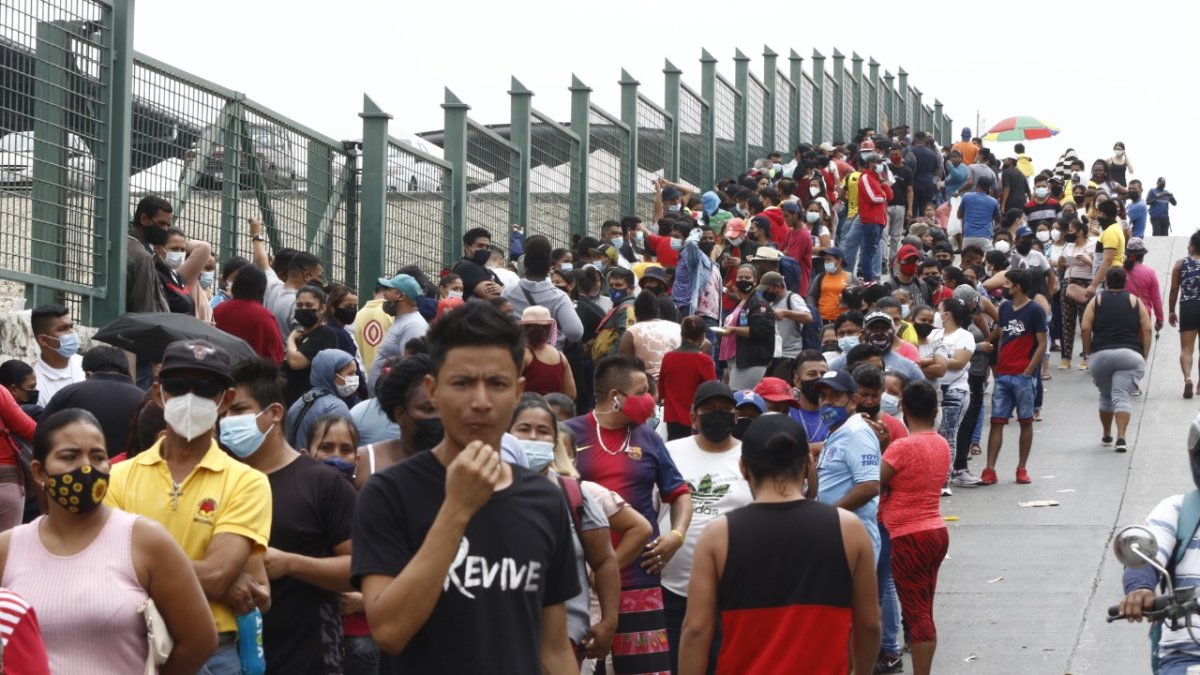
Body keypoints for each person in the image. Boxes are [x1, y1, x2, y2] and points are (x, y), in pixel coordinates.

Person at [350, 301, 579, 674]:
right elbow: (389, 631)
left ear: (518, 392)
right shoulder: (388, 493)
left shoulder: (544, 500)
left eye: (497, 384)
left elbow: (553, 649)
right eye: (462, 383)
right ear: (433, 390)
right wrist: (456, 508)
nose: (481, 402)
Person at [0, 408, 216, 673]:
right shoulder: (8, 548)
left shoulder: (145, 540)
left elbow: (199, 640)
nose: (86, 467)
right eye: (69, 457)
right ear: (39, 472)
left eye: (97, 457)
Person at [105, 339, 272, 674]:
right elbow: (104, 571)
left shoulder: (247, 482)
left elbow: (218, 575)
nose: (190, 397)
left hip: (214, 654)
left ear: (225, 400)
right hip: (131, 646)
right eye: (178, 386)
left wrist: (138, 570)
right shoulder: (117, 477)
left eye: (206, 388)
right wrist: (206, 578)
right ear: (158, 394)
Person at [678, 414, 880, 674]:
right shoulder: (848, 529)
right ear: (808, 465)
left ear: (743, 468)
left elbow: (696, 630)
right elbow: (869, 624)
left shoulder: (717, 536)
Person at [223, 358, 357, 673]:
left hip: (308, 661)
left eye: (238, 410)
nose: (227, 422)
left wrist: (290, 563)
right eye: (223, 413)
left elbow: (361, 567)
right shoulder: (221, 482)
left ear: (274, 413)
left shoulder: (323, 484)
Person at [566, 355, 693, 675]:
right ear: (615, 397)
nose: (650, 399)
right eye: (641, 392)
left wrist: (676, 536)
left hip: (639, 579)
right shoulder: (569, 434)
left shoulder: (649, 438)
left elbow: (680, 494)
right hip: (582, 584)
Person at [509, 394, 620, 667]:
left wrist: (609, 621)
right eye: (524, 429)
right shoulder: (484, 490)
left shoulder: (573, 495)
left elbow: (604, 560)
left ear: (554, 441)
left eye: (543, 431)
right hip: (504, 637)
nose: (533, 438)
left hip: (566, 639)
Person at [659, 381, 751, 674]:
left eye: (725, 409)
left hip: (733, 593)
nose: (718, 414)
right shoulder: (670, 452)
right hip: (673, 591)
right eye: (709, 409)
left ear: (735, 416)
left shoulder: (750, 456)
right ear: (693, 417)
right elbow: (651, 508)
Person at [879, 380, 952, 675]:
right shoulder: (941, 443)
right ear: (935, 410)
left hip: (909, 535)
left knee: (916, 613)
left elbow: (874, 482)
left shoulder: (902, 447)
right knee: (924, 608)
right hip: (936, 531)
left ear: (903, 408)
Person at [981, 269, 1047, 486]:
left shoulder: (1035, 310)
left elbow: (1042, 343)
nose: (1004, 287)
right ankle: (989, 469)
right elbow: (1003, 335)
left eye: (1007, 283)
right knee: (997, 421)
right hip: (1004, 374)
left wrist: (1029, 370)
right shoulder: (1004, 308)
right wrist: (999, 364)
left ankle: (1021, 468)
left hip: (1023, 376)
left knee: (1025, 421)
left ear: (1018, 287)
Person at [811, 369, 884, 558]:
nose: (827, 402)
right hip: (836, 537)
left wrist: (830, 515)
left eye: (835, 396)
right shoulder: (839, 431)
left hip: (852, 540)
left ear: (853, 401)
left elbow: (869, 486)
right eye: (822, 396)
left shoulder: (856, 433)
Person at [1082, 267, 1152, 453]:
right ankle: (1121, 438)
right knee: (1122, 396)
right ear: (1125, 282)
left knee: (1106, 395)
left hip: (1101, 355)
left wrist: (1089, 351)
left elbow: (1085, 328)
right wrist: (1144, 355)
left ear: (1106, 281)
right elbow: (1147, 329)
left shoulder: (1097, 300)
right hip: (1130, 355)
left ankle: (1107, 434)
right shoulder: (1135, 301)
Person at [355, 355, 441, 490]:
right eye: (428, 409)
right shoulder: (365, 463)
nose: (439, 416)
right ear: (400, 414)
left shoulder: (466, 464)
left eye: (444, 408)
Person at [41, 346, 144, 459]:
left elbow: (42, 434)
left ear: (87, 373)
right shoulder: (143, 398)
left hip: (80, 467)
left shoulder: (67, 394)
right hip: (134, 467)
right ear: (125, 370)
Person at [503, 234, 584, 348]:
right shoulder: (559, 297)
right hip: (550, 354)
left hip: (517, 353)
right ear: (550, 264)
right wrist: (557, 336)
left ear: (525, 262)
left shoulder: (508, 293)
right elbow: (575, 333)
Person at [934, 298, 981, 487]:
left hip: (955, 390)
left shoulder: (964, 336)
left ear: (947, 314)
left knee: (949, 434)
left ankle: (944, 479)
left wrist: (934, 360)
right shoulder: (934, 334)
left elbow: (960, 362)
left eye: (939, 309)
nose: (937, 313)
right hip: (933, 389)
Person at [282, 285, 343, 405]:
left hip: (310, 403)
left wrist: (290, 340)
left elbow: (296, 362)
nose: (303, 309)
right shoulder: (302, 336)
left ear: (322, 308)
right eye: (299, 305)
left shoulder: (325, 334)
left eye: (309, 305)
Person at [213, 264, 286, 364]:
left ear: (236, 284)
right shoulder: (265, 317)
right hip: (253, 372)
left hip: (222, 369)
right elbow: (276, 355)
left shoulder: (218, 310)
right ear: (262, 289)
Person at [659, 316, 718, 441]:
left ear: (682, 334)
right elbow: (712, 393)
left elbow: (661, 391)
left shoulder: (668, 358)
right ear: (702, 336)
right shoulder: (705, 361)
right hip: (696, 419)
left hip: (672, 418)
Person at [286, 349, 357, 451]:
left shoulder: (301, 402)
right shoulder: (337, 408)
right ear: (332, 374)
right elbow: (341, 451)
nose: (355, 378)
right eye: (350, 374)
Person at [829, 311, 925, 384]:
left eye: (885, 328)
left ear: (893, 333)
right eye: (874, 328)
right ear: (863, 334)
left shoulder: (909, 367)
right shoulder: (841, 363)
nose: (879, 333)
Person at [368, 273, 429, 387]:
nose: (384, 294)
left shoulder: (413, 326)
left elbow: (411, 368)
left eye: (388, 290)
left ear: (400, 296)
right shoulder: (403, 320)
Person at [719, 265, 775, 389]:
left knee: (737, 396)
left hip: (750, 361)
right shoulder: (740, 303)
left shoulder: (759, 303)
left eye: (747, 277)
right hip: (733, 359)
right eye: (740, 277)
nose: (743, 280)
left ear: (755, 280)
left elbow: (760, 330)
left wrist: (733, 330)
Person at [620, 292, 681, 386]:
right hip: (676, 383)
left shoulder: (631, 333)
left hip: (646, 387)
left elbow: (625, 369)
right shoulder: (678, 328)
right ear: (658, 310)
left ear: (635, 312)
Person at [1058, 217, 1096, 369]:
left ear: (1080, 231)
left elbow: (1098, 267)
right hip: (1067, 283)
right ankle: (1066, 358)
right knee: (1067, 322)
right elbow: (1061, 268)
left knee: (1085, 322)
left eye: (1071, 230)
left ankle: (1087, 357)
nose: (1069, 233)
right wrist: (1061, 262)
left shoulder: (1092, 245)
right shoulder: (1068, 246)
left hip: (1084, 283)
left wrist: (1088, 260)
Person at [29, 304, 84, 406]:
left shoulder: (84, 365)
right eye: (62, 329)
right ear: (43, 340)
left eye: (71, 327)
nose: (72, 333)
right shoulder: (36, 384)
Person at [126, 196, 172, 313]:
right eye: (161, 223)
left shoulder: (124, 246)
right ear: (144, 219)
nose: (165, 230)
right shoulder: (143, 257)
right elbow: (145, 310)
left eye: (168, 225)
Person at [521, 305, 577, 399]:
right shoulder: (560, 356)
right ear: (549, 329)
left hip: (526, 407)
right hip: (552, 407)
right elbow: (571, 394)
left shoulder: (522, 354)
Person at [267, 251, 325, 339]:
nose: (321, 282)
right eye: (319, 276)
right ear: (307, 275)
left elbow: (262, 263)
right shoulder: (301, 304)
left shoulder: (273, 287)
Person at [353, 281, 395, 376]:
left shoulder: (357, 316)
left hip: (362, 375)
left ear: (373, 293)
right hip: (386, 375)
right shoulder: (393, 315)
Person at [1124, 238, 1164, 336]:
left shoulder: (1119, 271)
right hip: (1143, 313)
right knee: (1142, 343)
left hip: (1123, 312)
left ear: (1127, 254)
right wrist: (1159, 319)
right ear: (1142, 256)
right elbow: (1156, 299)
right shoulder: (1150, 273)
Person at [451, 227, 504, 300]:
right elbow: (494, 297)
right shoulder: (466, 267)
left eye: (487, 247)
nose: (484, 249)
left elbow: (505, 292)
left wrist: (502, 290)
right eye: (480, 246)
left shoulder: (488, 271)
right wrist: (502, 290)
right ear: (467, 247)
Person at [1088, 200, 1126, 298]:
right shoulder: (1113, 229)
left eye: (1098, 212)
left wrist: (1093, 285)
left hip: (1108, 278)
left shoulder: (1111, 231)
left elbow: (1107, 260)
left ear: (1102, 213)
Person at [958, 177, 1001, 252]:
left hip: (968, 236)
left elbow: (959, 215)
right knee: (991, 258)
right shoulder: (993, 202)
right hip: (984, 237)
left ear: (977, 186)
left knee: (966, 258)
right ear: (989, 189)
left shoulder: (966, 196)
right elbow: (998, 220)